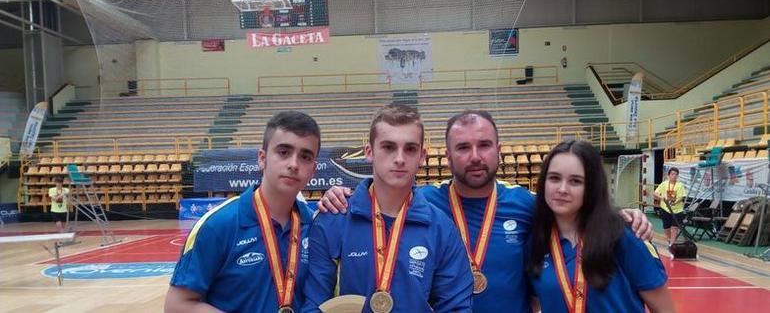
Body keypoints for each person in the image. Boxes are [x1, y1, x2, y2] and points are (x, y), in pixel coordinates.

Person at [318, 110, 653, 312]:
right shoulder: (425, 204)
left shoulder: (527, 205)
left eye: (484, 145)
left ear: (499, 151)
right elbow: (383, 202)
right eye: (463, 147)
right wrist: (340, 195)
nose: (475, 156)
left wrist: (623, 216)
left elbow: (576, 217)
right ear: (446, 157)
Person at [302, 104, 473, 312]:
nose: (399, 158)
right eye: (388, 147)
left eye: (410, 149)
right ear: (369, 152)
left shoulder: (442, 229)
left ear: (422, 156)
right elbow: (314, 305)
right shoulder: (334, 219)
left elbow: (456, 307)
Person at [165, 111, 320, 313]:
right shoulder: (218, 225)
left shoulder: (315, 226)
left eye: (305, 156)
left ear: (313, 169)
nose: (293, 164)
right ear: (262, 158)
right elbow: (177, 305)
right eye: (283, 152)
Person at [526, 140, 674, 313]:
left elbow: (665, 309)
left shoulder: (624, 236)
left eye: (575, 181)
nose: (562, 189)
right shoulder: (535, 242)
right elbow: (534, 303)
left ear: (591, 187)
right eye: (554, 178)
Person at [654, 167, 686, 246]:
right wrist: (662, 198)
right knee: (666, 227)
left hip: (677, 210)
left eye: (676, 174)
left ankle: (672, 244)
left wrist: (675, 202)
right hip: (665, 209)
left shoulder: (680, 185)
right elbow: (655, 193)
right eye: (672, 174)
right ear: (669, 175)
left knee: (674, 227)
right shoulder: (664, 184)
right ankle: (669, 240)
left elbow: (681, 197)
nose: (674, 176)